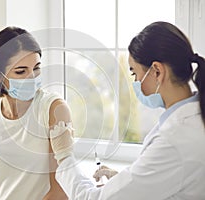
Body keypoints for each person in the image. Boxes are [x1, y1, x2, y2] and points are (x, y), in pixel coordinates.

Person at [50, 21, 205, 199]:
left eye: (134, 73)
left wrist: (64, 159)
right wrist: (122, 180)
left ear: (157, 71)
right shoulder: (193, 118)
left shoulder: (174, 139)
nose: (136, 82)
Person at [0, 26, 69, 200]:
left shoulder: (53, 110)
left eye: (37, 68)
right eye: (21, 71)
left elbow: (60, 191)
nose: (32, 77)